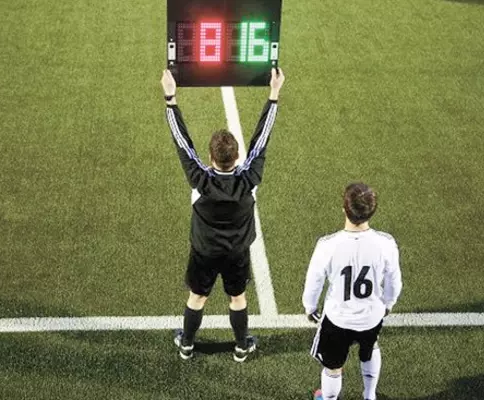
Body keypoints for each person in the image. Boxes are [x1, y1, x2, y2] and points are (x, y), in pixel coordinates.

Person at [160, 68, 285, 362]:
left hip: (204, 251)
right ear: (237, 156)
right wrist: (273, 94)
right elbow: (262, 139)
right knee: (237, 297)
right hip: (237, 252)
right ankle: (241, 346)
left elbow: (181, 141)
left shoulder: (200, 181)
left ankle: (187, 344)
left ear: (210, 157)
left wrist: (170, 99)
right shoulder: (249, 180)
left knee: (197, 296)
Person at [302, 182, 403, 400]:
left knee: (333, 367)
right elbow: (394, 281)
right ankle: (370, 395)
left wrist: (310, 307)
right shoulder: (386, 243)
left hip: (338, 319)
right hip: (371, 316)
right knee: (370, 349)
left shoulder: (328, 245)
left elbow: (314, 281)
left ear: (344, 209)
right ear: (372, 212)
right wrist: (388, 303)